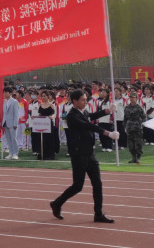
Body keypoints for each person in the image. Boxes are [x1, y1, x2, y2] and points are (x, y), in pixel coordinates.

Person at [50, 89, 117, 223]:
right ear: (75, 101)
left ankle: (98, 214)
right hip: (79, 154)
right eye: (82, 100)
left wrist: (107, 111)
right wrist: (107, 133)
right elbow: (87, 125)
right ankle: (57, 203)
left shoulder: (83, 112)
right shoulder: (72, 116)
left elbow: (91, 116)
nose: (85, 102)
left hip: (90, 153)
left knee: (97, 184)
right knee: (77, 186)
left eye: (86, 99)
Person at [123, 93, 146, 165]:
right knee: (130, 144)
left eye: (133, 97)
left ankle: (138, 157)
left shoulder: (139, 107)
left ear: (136, 98)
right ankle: (133, 157)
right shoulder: (127, 108)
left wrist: (142, 124)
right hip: (129, 127)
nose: (131, 99)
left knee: (138, 143)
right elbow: (125, 118)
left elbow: (144, 117)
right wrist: (125, 126)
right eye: (130, 97)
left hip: (137, 128)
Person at [2, 90, 21, 160]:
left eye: (6, 92)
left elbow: (16, 113)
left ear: (10, 93)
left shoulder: (14, 102)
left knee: (14, 138)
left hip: (12, 123)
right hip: (5, 122)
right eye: (4, 92)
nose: (4, 94)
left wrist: (15, 123)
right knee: (8, 139)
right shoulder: (4, 101)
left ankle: (15, 153)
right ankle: (11, 153)